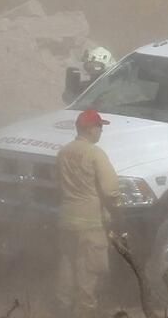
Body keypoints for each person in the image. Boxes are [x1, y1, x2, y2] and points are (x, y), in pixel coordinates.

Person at [55, 109, 121, 318]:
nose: (101, 131)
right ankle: (85, 311)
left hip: (66, 219)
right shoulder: (95, 153)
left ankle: (62, 306)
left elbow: (57, 183)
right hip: (90, 222)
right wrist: (118, 209)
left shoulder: (63, 152)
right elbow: (110, 189)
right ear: (91, 129)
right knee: (89, 270)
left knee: (68, 263)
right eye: (99, 127)